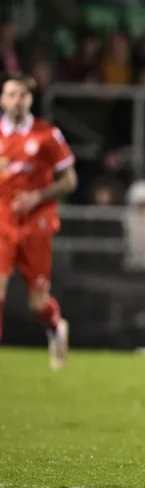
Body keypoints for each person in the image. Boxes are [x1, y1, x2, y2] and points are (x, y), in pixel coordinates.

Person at [0, 76, 75, 368]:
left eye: (22, 94)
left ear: (30, 100)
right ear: (2, 100)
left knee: (37, 302)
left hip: (36, 222)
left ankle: (56, 327)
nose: (17, 99)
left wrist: (38, 196)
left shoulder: (47, 135)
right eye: (11, 94)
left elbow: (69, 180)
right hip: (3, 220)